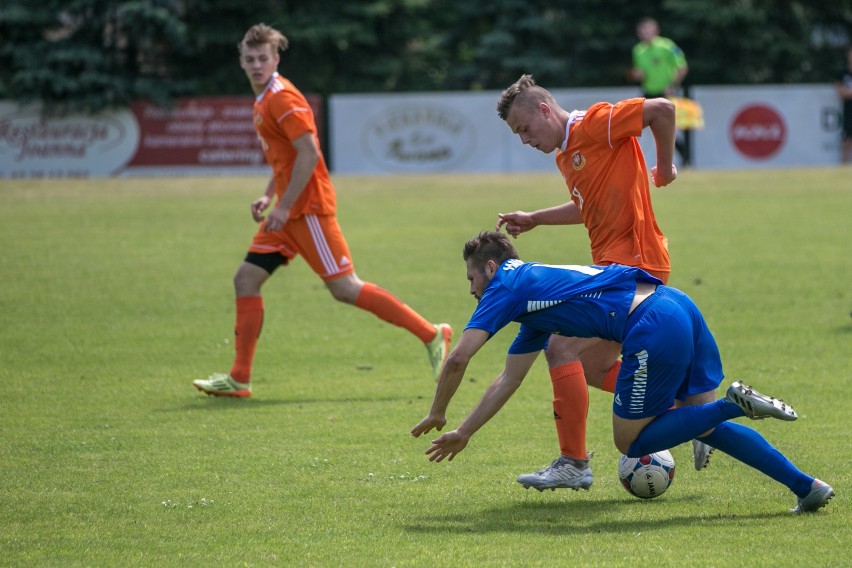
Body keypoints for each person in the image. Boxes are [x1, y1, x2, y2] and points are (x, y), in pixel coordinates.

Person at [411, 231, 834, 514]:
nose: (470, 290)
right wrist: (466, 432)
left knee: (630, 440)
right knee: (700, 426)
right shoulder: (534, 296)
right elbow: (508, 379)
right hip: (679, 304)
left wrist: (438, 412)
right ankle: (807, 487)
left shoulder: (503, 285)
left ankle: (732, 405)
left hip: (650, 324)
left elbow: (457, 359)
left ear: (489, 267)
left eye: (471, 278)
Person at [192, 23, 452, 398]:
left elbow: (310, 153)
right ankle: (239, 378)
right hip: (287, 211)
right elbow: (285, 159)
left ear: (275, 59)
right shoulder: (263, 98)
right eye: (249, 59)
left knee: (345, 289)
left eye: (262, 58)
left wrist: (283, 205)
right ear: (241, 62)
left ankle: (432, 334)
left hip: (307, 210)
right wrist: (269, 197)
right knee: (245, 279)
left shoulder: (281, 98)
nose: (256, 64)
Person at [494, 74, 713, 491]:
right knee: (594, 367)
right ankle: (688, 413)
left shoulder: (595, 123)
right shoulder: (566, 156)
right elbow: (589, 205)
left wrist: (664, 166)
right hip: (617, 267)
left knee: (560, 347)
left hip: (633, 263)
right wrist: (536, 218)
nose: (524, 139)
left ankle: (574, 463)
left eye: (524, 128)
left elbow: (662, 110)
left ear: (544, 110)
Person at [629, 17, 690, 166]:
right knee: (634, 125)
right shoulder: (638, 50)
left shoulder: (668, 46)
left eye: (650, 29)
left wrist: (672, 85)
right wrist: (635, 75)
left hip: (667, 93)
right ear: (639, 33)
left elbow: (682, 67)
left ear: (656, 30)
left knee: (670, 129)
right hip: (648, 93)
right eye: (644, 30)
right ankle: (632, 161)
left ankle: (686, 159)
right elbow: (638, 73)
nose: (647, 32)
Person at [837, 46, 852, 164]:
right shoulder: (843, 74)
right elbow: (842, 92)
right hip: (849, 112)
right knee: (846, 141)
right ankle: (844, 169)